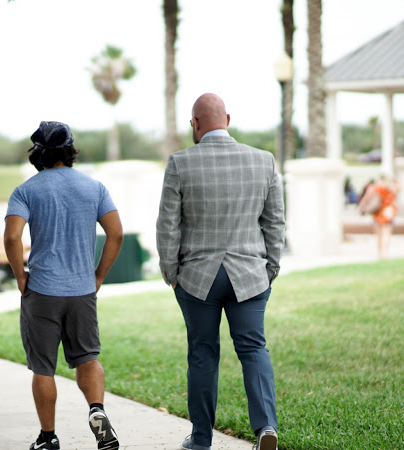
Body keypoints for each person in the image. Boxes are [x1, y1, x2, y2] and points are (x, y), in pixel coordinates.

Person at [156, 93, 285, 450]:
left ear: (195, 124)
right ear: (226, 118)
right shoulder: (263, 160)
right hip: (250, 275)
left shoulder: (180, 163)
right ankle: (266, 429)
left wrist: (172, 273)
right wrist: (270, 267)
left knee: (202, 353)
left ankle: (200, 440)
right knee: (253, 348)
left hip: (198, 279)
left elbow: (168, 225)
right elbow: (274, 222)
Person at [4, 121, 123, 450]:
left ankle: (48, 438)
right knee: (87, 357)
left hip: (41, 290)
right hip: (82, 291)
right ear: (70, 152)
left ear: (39, 154)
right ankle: (97, 411)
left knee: (43, 367)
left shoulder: (27, 190)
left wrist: (19, 276)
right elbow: (116, 234)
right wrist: (98, 275)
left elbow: (13, 236)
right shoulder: (94, 188)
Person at [358, 174, 401, 259]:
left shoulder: (377, 188)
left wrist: (362, 208)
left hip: (378, 213)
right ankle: (385, 252)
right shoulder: (393, 188)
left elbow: (367, 197)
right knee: (386, 234)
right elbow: (398, 190)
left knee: (379, 235)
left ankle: (380, 252)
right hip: (389, 212)